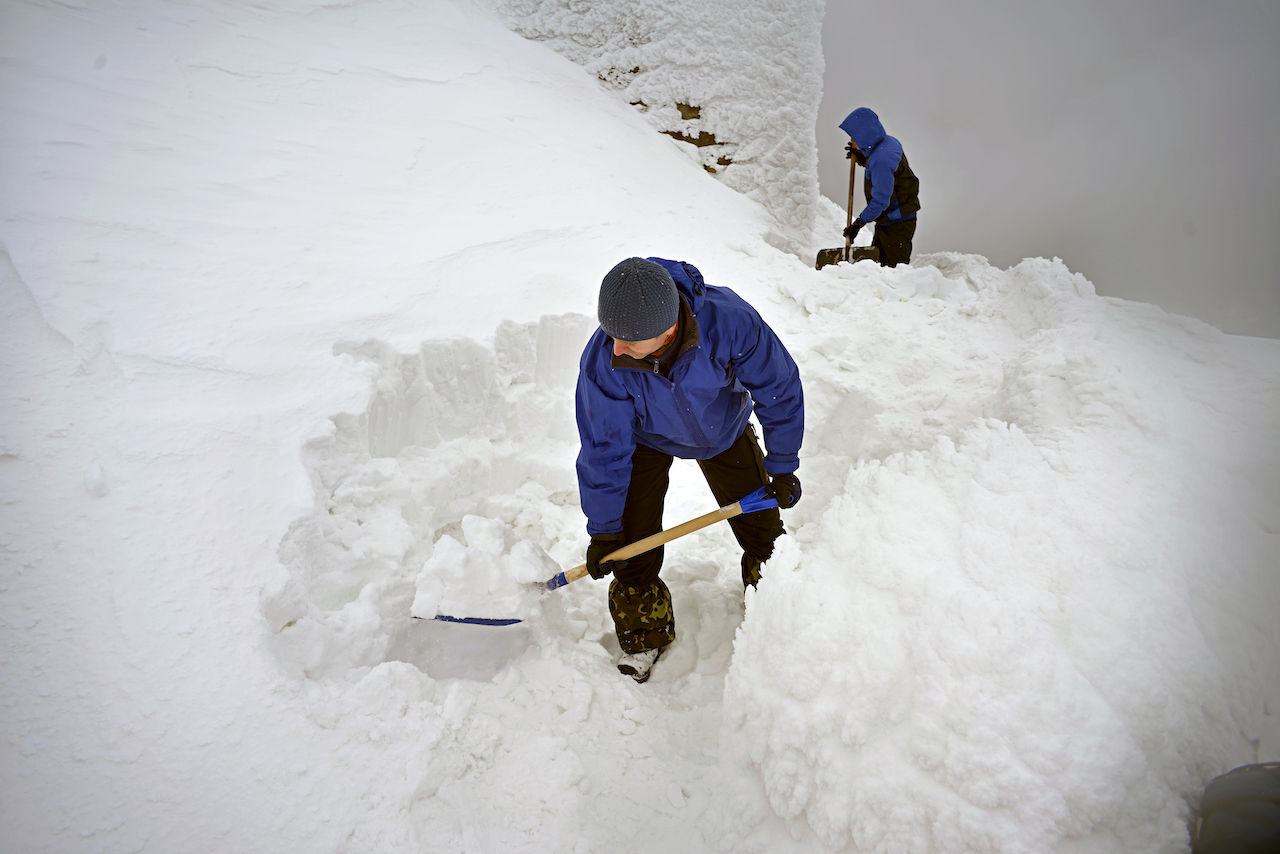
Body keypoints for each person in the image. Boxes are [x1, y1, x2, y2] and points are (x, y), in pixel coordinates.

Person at [575, 256, 804, 683]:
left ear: (668, 329)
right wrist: (604, 527)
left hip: (724, 430)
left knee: (762, 531)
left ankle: (777, 611)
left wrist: (783, 464)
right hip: (645, 439)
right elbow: (604, 447)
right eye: (612, 335)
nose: (617, 347)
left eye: (629, 340)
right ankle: (644, 635)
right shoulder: (605, 360)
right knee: (630, 545)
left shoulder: (729, 322)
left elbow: (780, 388)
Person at [840, 107, 921, 267]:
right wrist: (863, 157)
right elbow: (888, 173)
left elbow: (881, 201)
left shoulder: (880, 161)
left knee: (893, 272)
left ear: (864, 134)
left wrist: (859, 224)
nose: (851, 140)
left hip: (897, 223)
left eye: (854, 137)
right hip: (892, 218)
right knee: (879, 267)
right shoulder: (888, 142)